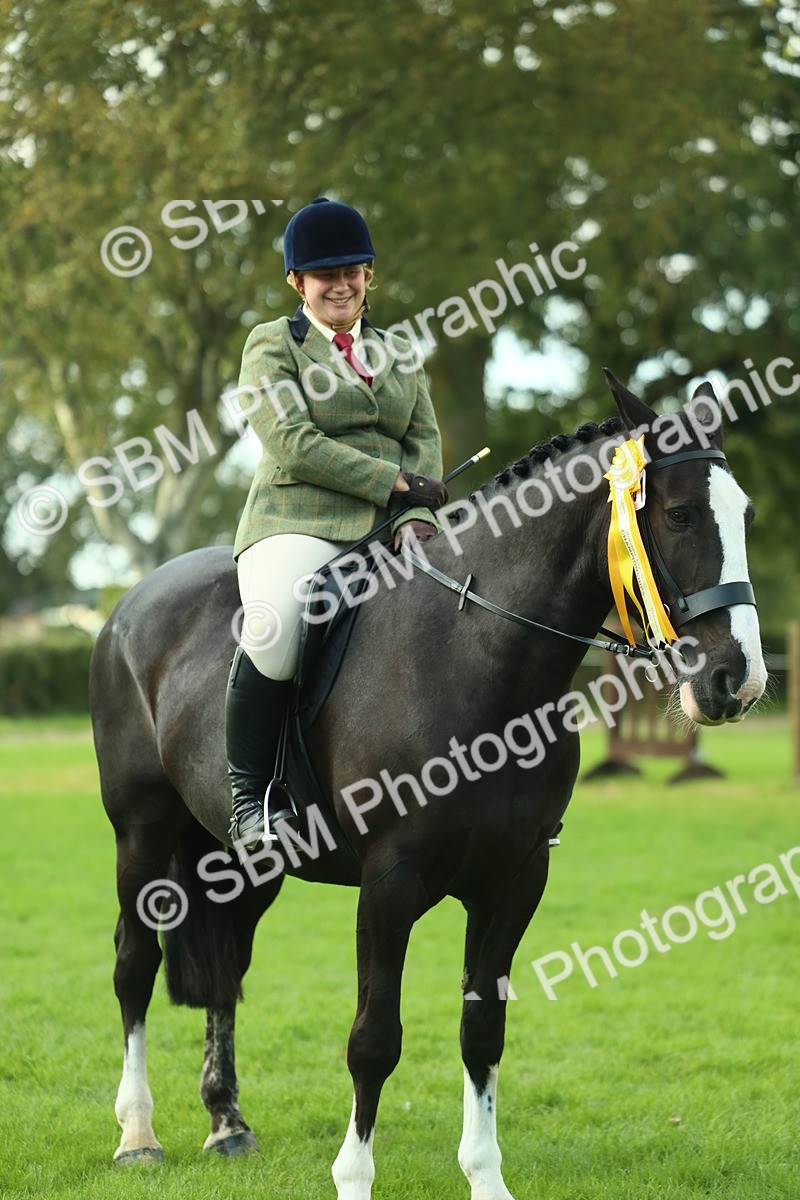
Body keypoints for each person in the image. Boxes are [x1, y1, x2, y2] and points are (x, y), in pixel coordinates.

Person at [227, 196, 448, 852]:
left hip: (394, 527)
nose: (341, 284)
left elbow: (424, 437)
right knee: (276, 629)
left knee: (472, 610)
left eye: (352, 270)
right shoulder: (272, 345)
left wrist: (413, 514)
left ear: (368, 274)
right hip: (296, 521)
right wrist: (396, 484)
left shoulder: (398, 351)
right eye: (325, 275)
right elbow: (292, 441)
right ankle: (250, 798)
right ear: (298, 283)